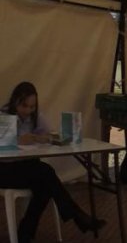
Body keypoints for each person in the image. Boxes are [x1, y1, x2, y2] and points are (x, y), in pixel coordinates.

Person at [0, 82, 106, 242]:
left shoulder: (35, 117)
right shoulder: (3, 116)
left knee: (44, 184)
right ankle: (77, 216)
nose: (28, 110)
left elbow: (49, 135)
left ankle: (26, 233)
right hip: (5, 169)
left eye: (32, 106)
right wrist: (17, 140)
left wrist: (44, 138)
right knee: (46, 173)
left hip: (27, 167)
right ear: (15, 101)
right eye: (24, 106)